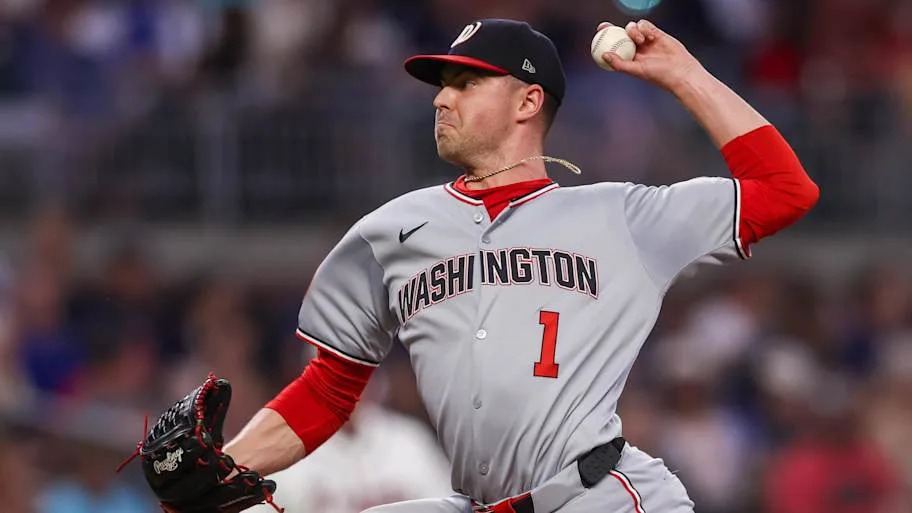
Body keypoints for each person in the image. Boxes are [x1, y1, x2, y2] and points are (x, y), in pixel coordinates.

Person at [223, 18, 819, 513]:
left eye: (465, 83)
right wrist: (224, 472)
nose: (440, 97)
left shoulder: (624, 217)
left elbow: (785, 190)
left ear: (528, 101)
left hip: (598, 497)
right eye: (442, 84)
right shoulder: (388, 233)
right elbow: (328, 389)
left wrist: (684, 74)